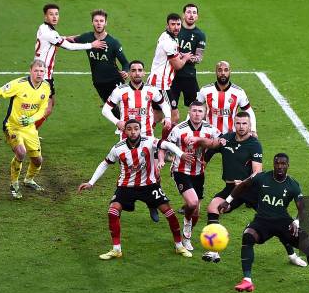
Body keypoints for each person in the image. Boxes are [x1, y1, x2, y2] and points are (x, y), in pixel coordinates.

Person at [78, 119, 195, 259]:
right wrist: (91, 182)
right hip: (126, 186)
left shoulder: (149, 141)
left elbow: (167, 144)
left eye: (136, 129)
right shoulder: (118, 148)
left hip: (149, 185)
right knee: (113, 211)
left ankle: (179, 246)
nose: (133, 132)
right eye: (129, 129)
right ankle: (116, 249)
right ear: (124, 131)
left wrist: (181, 154)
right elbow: (105, 163)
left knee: (169, 212)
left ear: (140, 130)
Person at [203, 112, 307, 268]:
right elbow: (211, 147)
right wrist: (202, 161)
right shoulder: (227, 138)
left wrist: (244, 181)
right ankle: (213, 250)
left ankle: (292, 254)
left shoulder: (254, 144)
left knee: (275, 221)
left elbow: (257, 171)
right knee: (213, 207)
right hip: (232, 189)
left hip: (252, 190)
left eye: (244, 123)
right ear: (234, 124)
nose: (241, 127)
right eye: (238, 123)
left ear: (249, 125)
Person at [218, 153, 309, 292]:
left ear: (288, 166)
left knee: (308, 244)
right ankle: (247, 280)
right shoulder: (261, 177)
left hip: (283, 222)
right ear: (273, 164)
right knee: (248, 236)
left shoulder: (293, 185)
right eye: (277, 163)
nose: (280, 166)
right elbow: (242, 185)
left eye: (283, 164)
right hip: (262, 221)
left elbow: (303, 208)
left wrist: (296, 221)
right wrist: (227, 201)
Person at [102, 60, 172, 223]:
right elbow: (105, 109)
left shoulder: (151, 90)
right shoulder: (120, 91)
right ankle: (125, 200)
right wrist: (117, 122)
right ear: (130, 73)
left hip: (148, 136)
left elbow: (164, 105)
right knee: (128, 171)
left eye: (140, 70)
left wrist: (167, 118)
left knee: (154, 172)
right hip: (126, 138)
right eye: (133, 70)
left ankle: (153, 203)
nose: (137, 73)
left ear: (144, 72)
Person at [33, 3, 107, 129]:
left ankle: (30, 131)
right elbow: (70, 47)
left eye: (56, 14)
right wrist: (91, 45)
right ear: (45, 16)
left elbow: (54, 39)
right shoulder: (50, 33)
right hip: (43, 75)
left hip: (42, 73)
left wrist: (66, 37)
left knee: (47, 104)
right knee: (47, 108)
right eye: (51, 14)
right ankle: (28, 132)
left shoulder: (43, 28)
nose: (54, 17)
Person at [0, 59, 51, 199]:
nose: (39, 74)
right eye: (36, 71)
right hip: (13, 126)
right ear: (30, 71)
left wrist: (31, 120)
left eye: (42, 71)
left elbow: (42, 110)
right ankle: (14, 183)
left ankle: (28, 180)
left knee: (38, 161)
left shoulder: (46, 87)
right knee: (21, 152)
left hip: (29, 128)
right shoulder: (19, 84)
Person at [167, 101, 224, 251]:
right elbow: (166, 146)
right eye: (194, 111)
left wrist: (208, 147)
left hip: (199, 173)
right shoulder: (179, 129)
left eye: (200, 111)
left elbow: (221, 141)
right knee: (192, 203)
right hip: (181, 171)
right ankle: (186, 223)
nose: (197, 114)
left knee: (197, 211)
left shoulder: (210, 129)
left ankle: (187, 238)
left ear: (205, 113)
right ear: (189, 112)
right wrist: (161, 159)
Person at [67, 9, 129, 118]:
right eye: (96, 21)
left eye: (101, 21)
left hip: (115, 79)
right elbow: (71, 40)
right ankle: (122, 125)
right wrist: (55, 38)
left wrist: (125, 71)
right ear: (92, 22)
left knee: (125, 103)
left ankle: (131, 126)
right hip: (98, 81)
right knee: (110, 106)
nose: (99, 23)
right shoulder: (87, 37)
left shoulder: (113, 43)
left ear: (106, 23)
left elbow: (125, 63)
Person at [147, 13, 193, 136]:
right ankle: (165, 144)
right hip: (161, 84)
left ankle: (144, 136)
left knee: (156, 116)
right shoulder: (169, 42)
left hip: (154, 81)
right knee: (174, 115)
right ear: (167, 25)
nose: (176, 27)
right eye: (173, 24)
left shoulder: (166, 36)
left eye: (178, 24)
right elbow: (177, 65)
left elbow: (171, 55)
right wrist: (186, 57)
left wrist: (179, 55)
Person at [197, 60, 257, 136]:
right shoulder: (205, 90)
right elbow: (194, 108)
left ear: (230, 72)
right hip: (210, 136)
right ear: (216, 72)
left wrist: (253, 130)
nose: (223, 73)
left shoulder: (239, 92)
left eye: (226, 70)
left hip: (231, 136)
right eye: (220, 70)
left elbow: (248, 110)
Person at [170, 3, 206, 108]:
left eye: (194, 13)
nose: (191, 15)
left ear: (197, 16)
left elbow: (199, 58)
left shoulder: (200, 35)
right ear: (183, 15)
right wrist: (183, 56)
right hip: (172, 75)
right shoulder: (175, 30)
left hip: (188, 75)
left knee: (197, 107)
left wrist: (184, 57)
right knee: (171, 108)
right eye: (189, 12)